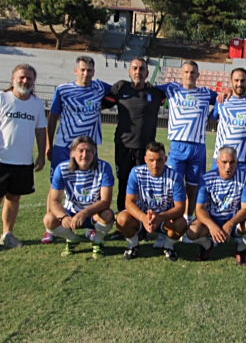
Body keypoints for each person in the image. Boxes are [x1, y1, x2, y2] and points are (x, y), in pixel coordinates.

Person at [41, 56, 111, 244]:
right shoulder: (63, 90)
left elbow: (118, 92)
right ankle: (52, 228)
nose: (85, 74)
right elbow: (53, 117)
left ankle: (90, 226)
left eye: (89, 70)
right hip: (64, 146)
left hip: (89, 148)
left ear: (94, 72)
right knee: (55, 186)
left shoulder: (100, 87)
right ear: (75, 71)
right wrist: (49, 145)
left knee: (92, 185)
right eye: (82, 70)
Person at [0, 64, 46, 252]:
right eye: (21, 77)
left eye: (29, 78)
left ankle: (7, 234)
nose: (25, 81)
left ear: (34, 81)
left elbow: (40, 131)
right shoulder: (0, 98)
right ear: (13, 79)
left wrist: (41, 155)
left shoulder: (36, 103)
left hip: (23, 162)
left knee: (14, 199)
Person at [102, 58, 166, 214]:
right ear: (129, 71)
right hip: (123, 146)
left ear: (147, 73)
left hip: (146, 149)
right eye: (135, 68)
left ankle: (143, 218)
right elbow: (100, 103)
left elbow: (175, 98)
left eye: (142, 69)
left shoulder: (156, 94)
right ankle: (123, 217)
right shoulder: (119, 90)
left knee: (144, 184)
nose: (138, 72)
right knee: (123, 182)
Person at [157, 60, 217, 223]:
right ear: (181, 74)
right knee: (172, 186)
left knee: (192, 188)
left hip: (198, 148)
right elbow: (151, 90)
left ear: (198, 75)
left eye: (192, 72)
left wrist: (211, 118)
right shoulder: (171, 89)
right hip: (177, 146)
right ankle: (168, 223)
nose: (189, 75)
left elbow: (222, 100)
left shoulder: (205, 93)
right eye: (186, 72)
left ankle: (188, 219)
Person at [185, 146, 246, 265]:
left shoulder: (244, 178)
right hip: (213, 219)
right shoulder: (206, 179)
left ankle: (240, 249)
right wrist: (212, 226)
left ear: (237, 162)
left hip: (235, 221)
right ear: (217, 162)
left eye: (232, 162)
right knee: (191, 232)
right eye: (224, 162)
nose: (228, 166)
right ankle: (208, 245)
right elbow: (200, 209)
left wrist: (231, 223)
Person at [42, 136, 115, 257]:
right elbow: (54, 200)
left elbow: (105, 201)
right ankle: (72, 239)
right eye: (80, 150)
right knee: (48, 219)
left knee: (107, 214)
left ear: (94, 153)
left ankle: (97, 242)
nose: (84, 155)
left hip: (93, 213)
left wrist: (84, 213)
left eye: (89, 151)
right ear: (72, 153)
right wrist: (63, 217)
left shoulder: (104, 167)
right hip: (71, 212)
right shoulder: (62, 168)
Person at [115, 141, 188, 262]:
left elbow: (180, 208)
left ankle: (168, 246)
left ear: (165, 159)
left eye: (159, 160)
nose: (155, 165)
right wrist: (143, 217)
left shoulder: (175, 177)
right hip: (141, 217)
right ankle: (133, 245)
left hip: (164, 219)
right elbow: (129, 202)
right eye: (151, 160)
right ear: (145, 159)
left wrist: (160, 217)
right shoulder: (136, 173)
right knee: (121, 219)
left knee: (181, 223)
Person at [209, 68, 246, 184]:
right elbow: (209, 120)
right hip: (222, 159)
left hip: (245, 161)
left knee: (245, 194)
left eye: (242, 81)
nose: (239, 84)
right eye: (236, 80)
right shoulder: (222, 101)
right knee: (218, 192)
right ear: (231, 81)